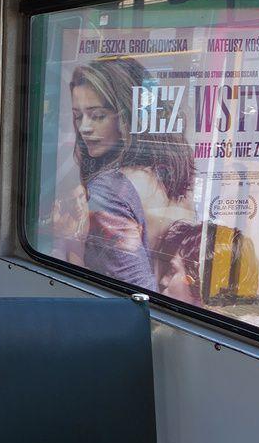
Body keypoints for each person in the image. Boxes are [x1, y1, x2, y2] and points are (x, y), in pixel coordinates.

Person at [64, 57, 196, 285]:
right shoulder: (171, 174)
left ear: (128, 116)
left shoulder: (108, 190)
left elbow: (132, 288)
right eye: (78, 116)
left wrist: (73, 248)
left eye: (98, 116)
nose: (84, 128)